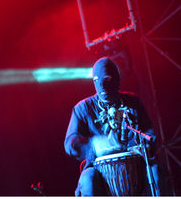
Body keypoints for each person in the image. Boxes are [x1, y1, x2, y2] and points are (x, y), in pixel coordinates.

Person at [64, 57, 161, 196]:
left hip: (135, 162)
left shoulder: (132, 102)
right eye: (97, 81)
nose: (102, 86)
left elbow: (149, 133)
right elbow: (70, 144)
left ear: (117, 80)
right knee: (87, 181)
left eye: (107, 79)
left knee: (155, 171)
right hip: (97, 167)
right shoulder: (82, 109)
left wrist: (142, 145)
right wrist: (94, 145)